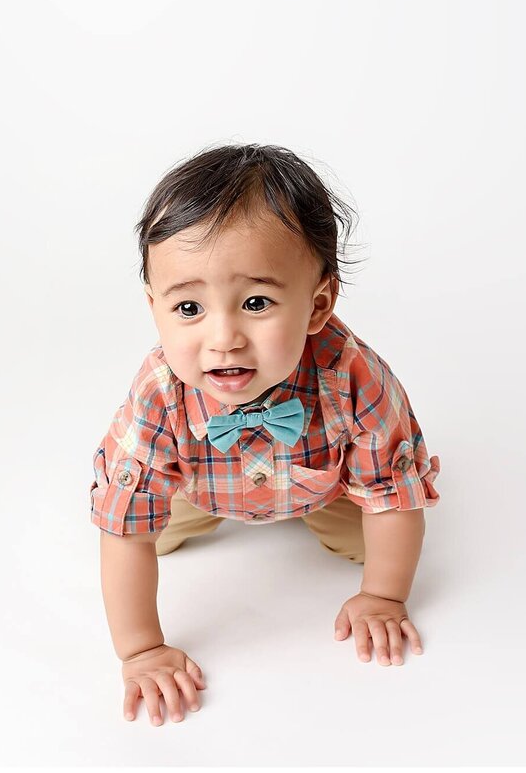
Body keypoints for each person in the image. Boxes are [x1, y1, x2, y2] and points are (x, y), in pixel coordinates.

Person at [90, 144, 442, 727]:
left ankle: (341, 540)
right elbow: (124, 528)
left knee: (378, 538)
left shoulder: (351, 376)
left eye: (256, 302)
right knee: (145, 535)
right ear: (154, 307)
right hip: (194, 490)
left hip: (322, 485)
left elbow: (391, 491)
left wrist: (384, 594)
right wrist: (142, 650)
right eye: (188, 308)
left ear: (317, 306)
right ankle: (187, 520)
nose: (222, 337)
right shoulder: (160, 393)